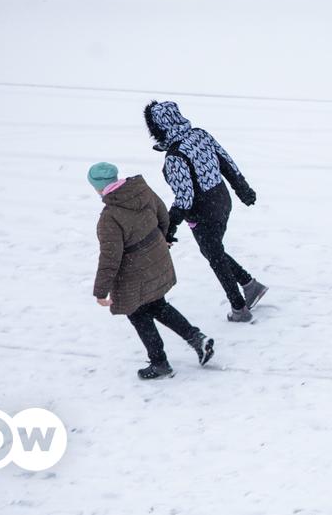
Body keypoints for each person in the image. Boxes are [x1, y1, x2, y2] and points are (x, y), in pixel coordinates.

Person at [89, 162, 216, 380]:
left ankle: (160, 363)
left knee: (138, 314)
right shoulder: (141, 189)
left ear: (98, 187)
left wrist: (101, 291)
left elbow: (111, 257)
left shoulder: (109, 217)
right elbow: (163, 216)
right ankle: (197, 339)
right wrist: (161, 239)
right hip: (156, 257)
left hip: (133, 272)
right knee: (158, 305)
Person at [144, 100, 267, 322]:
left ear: (157, 128)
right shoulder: (200, 134)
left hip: (203, 212)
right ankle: (251, 286)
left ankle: (239, 307)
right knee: (214, 251)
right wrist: (243, 189)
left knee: (215, 256)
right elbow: (226, 162)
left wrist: (168, 227)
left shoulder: (175, 156)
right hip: (222, 201)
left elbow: (185, 198)